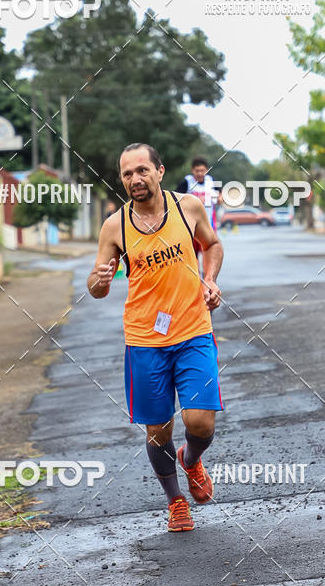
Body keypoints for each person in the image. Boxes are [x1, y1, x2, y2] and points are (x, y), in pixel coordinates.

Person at [87, 143, 224, 532]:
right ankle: (176, 501)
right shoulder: (116, 226)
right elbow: (98, 285)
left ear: (160, 171)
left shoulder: (188, 208)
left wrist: (209, 280)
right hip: (145, 339)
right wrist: (98, 281)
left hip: (194, 329)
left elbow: (212, 244)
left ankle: (192, 459)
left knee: (201, 423)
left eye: (143, 170)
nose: (136, 179)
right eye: (128, 173)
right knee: (158, 429)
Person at [177, 157, 221, 241]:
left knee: (211, 247)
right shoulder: (187, 182)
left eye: (202, 170)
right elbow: (177, 199)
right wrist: (194, 200)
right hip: (191, 223)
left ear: (206, 170)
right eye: (197, 171)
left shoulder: (211, 181)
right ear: (192, 170)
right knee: (193, 251)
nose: (200, 173)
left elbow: (220, 195)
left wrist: (219, 198)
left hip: (208, 222)